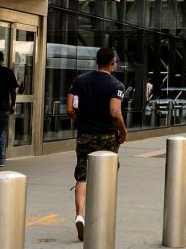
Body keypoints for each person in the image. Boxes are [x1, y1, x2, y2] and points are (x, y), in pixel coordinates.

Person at [66, 47, 128, 241]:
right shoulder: (116, 84)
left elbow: (69, 109)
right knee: (106, 176)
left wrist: (81, 121)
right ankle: (101, 217)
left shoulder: (79, 81)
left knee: (82, 175)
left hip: (85, 134)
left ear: (96, 61)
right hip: (107, 136)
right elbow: (115, 113)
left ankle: (80, 214)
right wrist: (123, 131)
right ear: (112, 63)